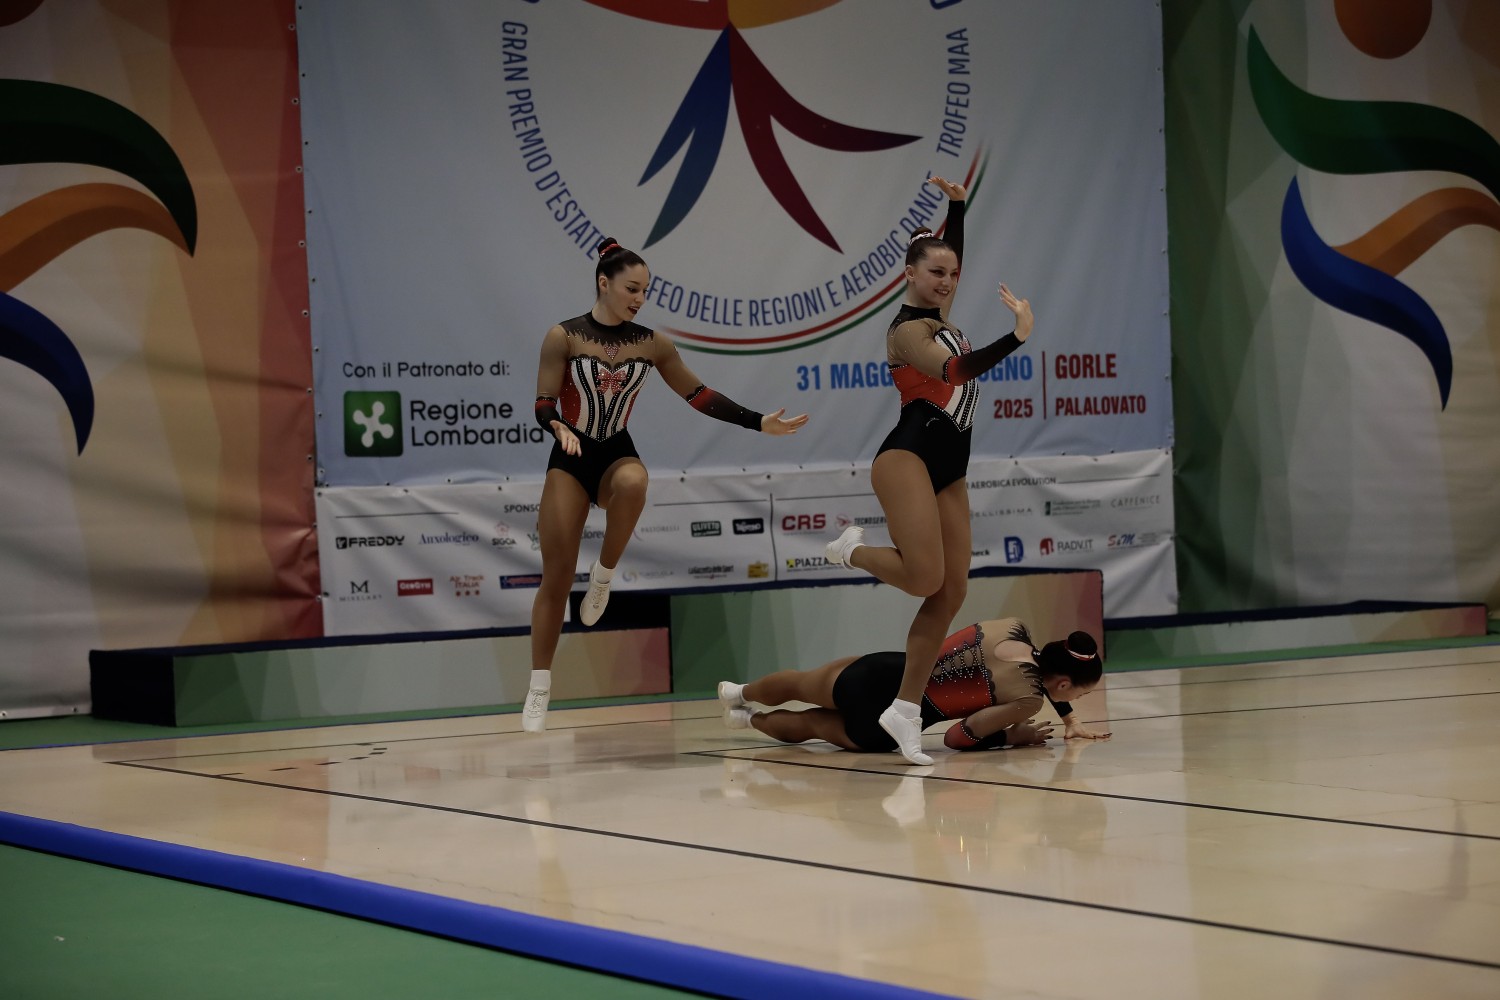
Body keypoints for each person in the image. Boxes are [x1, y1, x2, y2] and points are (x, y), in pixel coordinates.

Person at [525, 237, 808, 732]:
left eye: (645, 291)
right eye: (631, 288)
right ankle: (539, 686)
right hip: (570, 457)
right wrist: (555, 425)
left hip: (614, 450)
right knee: (556, 576)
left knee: (635, 480)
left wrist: (758, 421)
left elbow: (698, 395)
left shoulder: (652, 343)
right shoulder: (563, 336)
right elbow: (544, 400)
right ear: (604, 283)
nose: (639, 298)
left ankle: (604, 577)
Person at [822, 176, 1036, 764]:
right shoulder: (909, 331)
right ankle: (851, 551)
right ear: (909, 275)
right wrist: (1016, 338)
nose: (946, 280)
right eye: (935, 273)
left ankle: (905, 709)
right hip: (907, 458)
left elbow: (946, 255)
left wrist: (957, 206)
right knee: (923, 577)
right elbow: (955, 372)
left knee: (951, 589)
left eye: (953, 274)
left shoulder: (939, 314)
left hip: (950, 466)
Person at [716, 618, 1111, 756]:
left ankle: (740, 692)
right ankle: (747, 721)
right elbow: (958, 737)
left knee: (801, 682)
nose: (1075, 700)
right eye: (1080, 694)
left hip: (881, 672)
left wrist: (1069, 718)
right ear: (1064, 682)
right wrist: (1012, 737)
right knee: (810, 725)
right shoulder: (1028, 700)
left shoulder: (1012, 626)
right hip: (888, 725)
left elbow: (1046, 678)